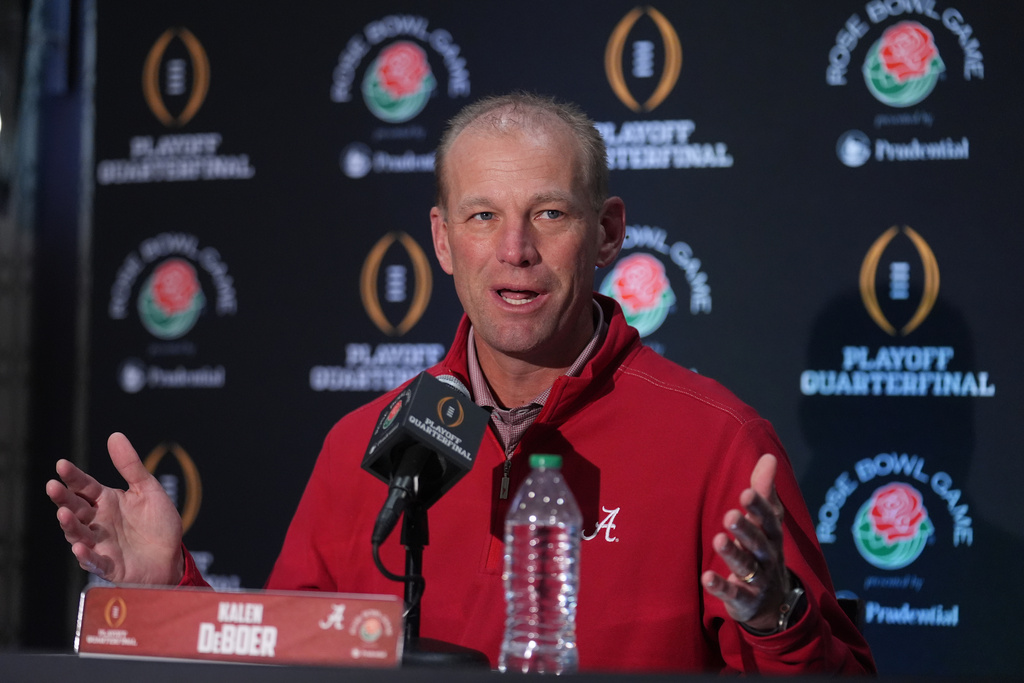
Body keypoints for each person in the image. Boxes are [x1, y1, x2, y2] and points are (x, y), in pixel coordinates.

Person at [48, 93, 875, 674]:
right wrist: (166, 592)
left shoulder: (720, 443)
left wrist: (778, 615)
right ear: (443, 241)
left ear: (608, 232)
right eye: (483, 216)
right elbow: (286, 665)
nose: (514, 248)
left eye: (549, 213)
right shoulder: (360, 447)